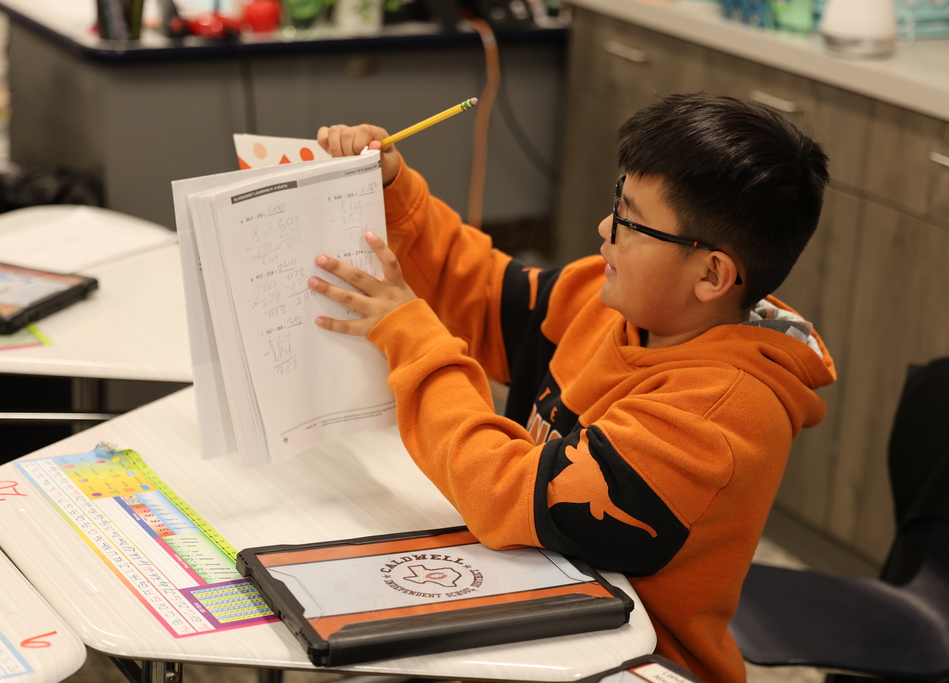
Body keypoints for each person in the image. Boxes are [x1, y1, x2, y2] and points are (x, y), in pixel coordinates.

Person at [308, 93, 835, 683]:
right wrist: (395, 191)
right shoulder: (616, 302)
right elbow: (486, 295)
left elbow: (505, 491)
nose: (607, 228)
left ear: (711, 274)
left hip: (633, 661)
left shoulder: (719, 417)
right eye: (619, 201)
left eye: (633, 221)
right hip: (534, 605)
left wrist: (414, 341)